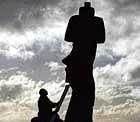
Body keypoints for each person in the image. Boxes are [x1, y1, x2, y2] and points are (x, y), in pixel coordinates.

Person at [63, 2, 105, 122]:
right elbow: (68, 37)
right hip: (80, 60)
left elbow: (101, 39)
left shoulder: (89, 21)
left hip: (84, 60)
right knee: (83, 92)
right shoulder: (82, 20)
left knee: (83, 93)